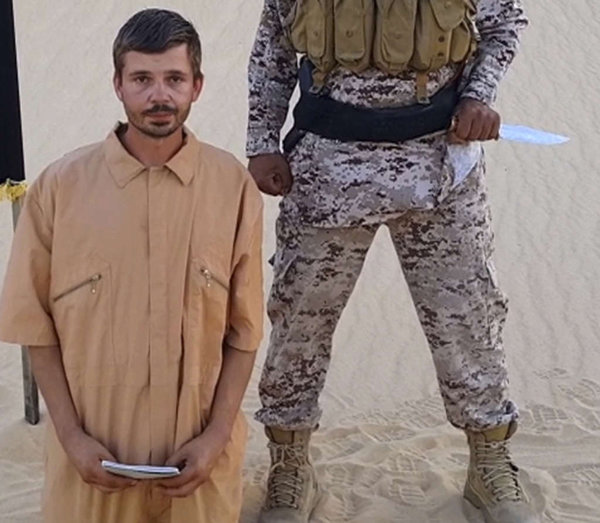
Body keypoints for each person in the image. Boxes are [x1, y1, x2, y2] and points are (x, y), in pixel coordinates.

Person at [246, 1, 538, 522]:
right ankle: (291, 464)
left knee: (468, 320)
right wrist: (262, 142)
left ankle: (488, 459)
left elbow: (503, 24)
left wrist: (478, 94)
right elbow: (273, 47)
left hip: (440, 167)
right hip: (327, 170)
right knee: (299, 324)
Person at [0, 9, 263, 523]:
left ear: (197, 86)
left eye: (174, 79)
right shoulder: (60, 190)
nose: (158, 96)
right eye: (142, 79)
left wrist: (214, 439)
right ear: (118, 84)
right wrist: (71, 438)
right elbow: (36, 328)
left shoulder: (232, 189)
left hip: (198, 473)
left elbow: (244, 332)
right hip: (91, 471)